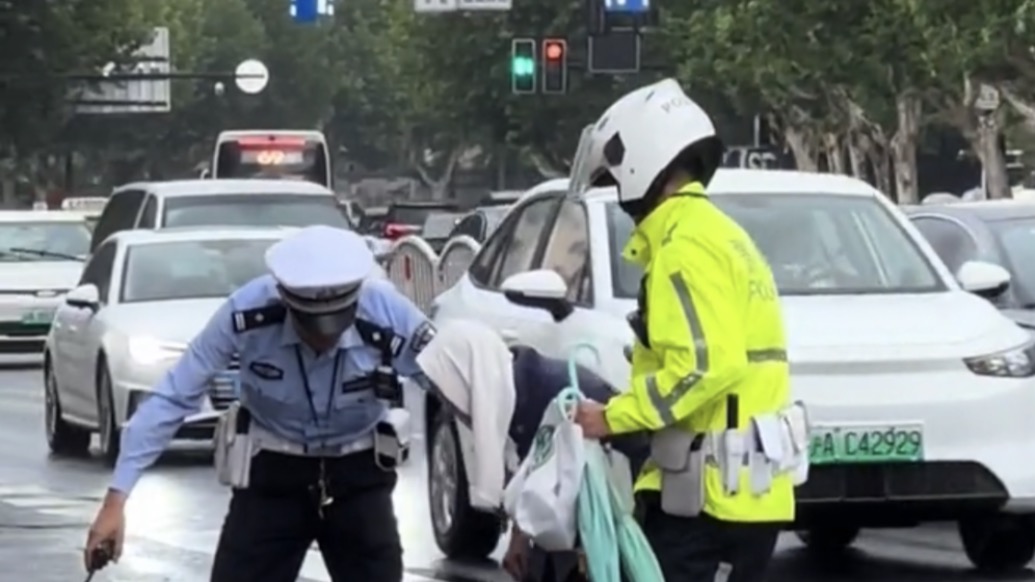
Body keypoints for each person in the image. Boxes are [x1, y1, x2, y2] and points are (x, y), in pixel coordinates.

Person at [83, 225, 435, 582]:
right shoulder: (245, 312)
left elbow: (455, 389)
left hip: (358, 475)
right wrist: (116, 501)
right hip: (273, 477)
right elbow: (173, 396)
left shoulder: (388, 311)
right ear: (285, 302)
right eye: (311, 326)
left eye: (334, 326)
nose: (323, 339)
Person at [569, 78, 808, 582]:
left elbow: (705, 365)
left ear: (641, 164)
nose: (619, 198)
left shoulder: (684, 249)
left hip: (708, 503)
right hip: (740, 494)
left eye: (613, 181)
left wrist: (612, 417)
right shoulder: (722, 235)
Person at [415, 319, 647, 582]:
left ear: (467, 376)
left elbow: (544, 480)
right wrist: (520, 536)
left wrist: (521, 538)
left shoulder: (535, 392)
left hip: (617, 486)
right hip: (580, 498)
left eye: (448, 393)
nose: (449, 405)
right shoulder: (511, 387)